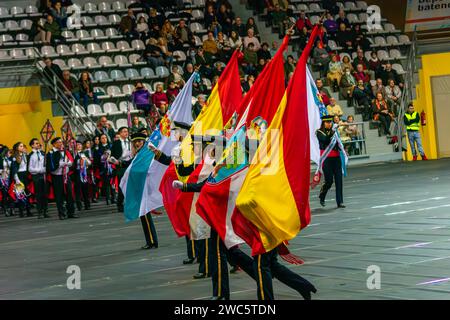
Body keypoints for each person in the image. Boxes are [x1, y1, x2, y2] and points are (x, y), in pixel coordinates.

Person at [317, 115, 345, 208]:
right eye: (327, 122)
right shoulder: (319, 132)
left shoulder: (334, 131)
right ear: (323, 123)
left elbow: (338, 143)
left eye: (330, 122)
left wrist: (343, 152)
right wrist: (332, 131)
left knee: (339, 180)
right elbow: (325, 140)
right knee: (329, 181)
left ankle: (340, 202)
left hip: (336, 159)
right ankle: (322, 195)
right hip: (326, 159)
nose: (329, 124)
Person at [46, 137, 78, 219]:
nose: (60, 144)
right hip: (57, 176)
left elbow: (71, 161)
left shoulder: (65, 151)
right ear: (54, 144)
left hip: (66, 175)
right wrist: (59, 165)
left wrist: (69, 163)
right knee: (59, 195)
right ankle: (61, 213)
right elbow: (50, 166)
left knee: (70, 194)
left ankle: (71, 212)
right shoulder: (50, 153)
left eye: (61, 142)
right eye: (58, 142)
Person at [110, 127, 132, 212]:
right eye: (124, 131)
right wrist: (115, 160)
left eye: (127, 131)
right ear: (119, 133)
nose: (126, 133)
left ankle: (132, 203)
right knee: (122, 185)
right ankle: (120, 204)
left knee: (132, 185)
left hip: (131, 164)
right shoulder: (116, 143)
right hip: (121, 165)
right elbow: (113, 155)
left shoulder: (131, 142)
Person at [28, 138, 49, 219]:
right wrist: (39, 170)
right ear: (32, 145)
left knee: (45, 194)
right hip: (36, 176)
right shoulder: (31, 155)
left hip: (44, 175)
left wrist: (45, 169)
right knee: (39, 194)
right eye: (36, 143)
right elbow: (30, 169)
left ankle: (45, 211)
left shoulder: (42, 153)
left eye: (38, 143)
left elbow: (46, 163)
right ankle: (39, 211)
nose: (38, 144)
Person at [11, 142, 31, 217]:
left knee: (27, 192)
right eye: (21, 146)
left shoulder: (25, 155)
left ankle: (28, 210)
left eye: (23, 146)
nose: (22, 147)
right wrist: (16, 179)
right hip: (19, 175)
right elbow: (14, 169)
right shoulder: (14, 157)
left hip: (25, 174)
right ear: (17, 148)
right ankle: (21, 211)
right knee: (20, 194)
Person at [73, 141, 91, 211]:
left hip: (84, 173)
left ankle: (87, 205)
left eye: (80, 144)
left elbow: (89, 163)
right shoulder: (73, 154)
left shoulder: (84, 153)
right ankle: (79, 205)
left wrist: (85, 161)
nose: (79, 146)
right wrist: (78, 162)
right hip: (77, 173)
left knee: (85, 190)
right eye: (77, 145)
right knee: (78, 190)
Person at [0, 147, 14, 217]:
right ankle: (6, 210)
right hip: (3, 179)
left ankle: (12, 208)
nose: (10, 154)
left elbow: (13, 168)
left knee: (11, 194)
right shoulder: (1, 159)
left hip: (10, 179)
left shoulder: (10, 159)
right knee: (4, 195)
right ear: (5, 153)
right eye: (9, 152)